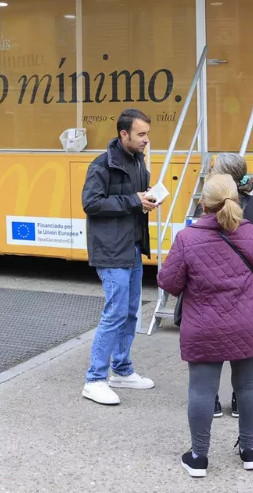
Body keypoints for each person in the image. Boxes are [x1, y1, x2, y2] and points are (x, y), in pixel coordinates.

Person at [157, 174, 253, 477]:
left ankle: (199, 456)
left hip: (204, 325)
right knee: (250, 386)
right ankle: (249, 451)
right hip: (250, 323)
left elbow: (169, 283)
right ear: (236, 201)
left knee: (201, 391)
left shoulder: (187, 238)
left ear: (203, 204)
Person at [80, 108, 158, 406]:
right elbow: (91, 203)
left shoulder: (138, 161)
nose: (146, 140)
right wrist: (132, 200)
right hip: (112, 251)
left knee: (129, 312)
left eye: (147, 134)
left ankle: (122, 371)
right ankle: (95, 379)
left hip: (133, 247)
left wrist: (146, 200)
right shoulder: (101, 165)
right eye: (141, 134)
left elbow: (132, 201)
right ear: (123, 134)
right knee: (115, 313)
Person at [206, 152, 253, 418]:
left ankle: (210, 401)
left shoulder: (210, 209)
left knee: (210, 352)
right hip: (248, 295)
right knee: (244, 353)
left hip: (212, 295)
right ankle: (238, 401)